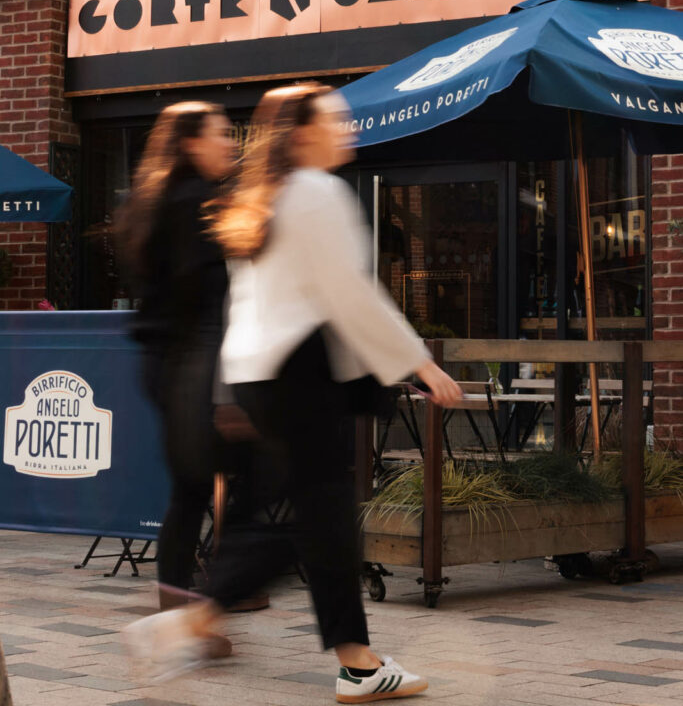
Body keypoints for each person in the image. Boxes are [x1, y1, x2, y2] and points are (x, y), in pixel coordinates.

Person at [124, 83, 464, 702]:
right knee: (321, 517)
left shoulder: (257, 196)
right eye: (336, 121)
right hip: (302, 372)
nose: (348, 131)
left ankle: (351, 661)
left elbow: (245, 305)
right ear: (302, 134)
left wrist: (230, 394)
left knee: (307, 518)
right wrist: (420, 363)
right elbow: (351, 293)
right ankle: (206, 626)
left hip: (260, 376)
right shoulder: (316, 191)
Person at [117, 100, 263, 661]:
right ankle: (197, 615)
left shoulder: (148, 203)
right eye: (222, 135)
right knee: (252, 482)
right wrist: (226, 392)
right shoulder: (199, 203)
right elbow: (213, 304)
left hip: (162, 366)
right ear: (189, 143)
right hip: (197, 366)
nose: (231, 144)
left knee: (193, 491)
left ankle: (184, 614)